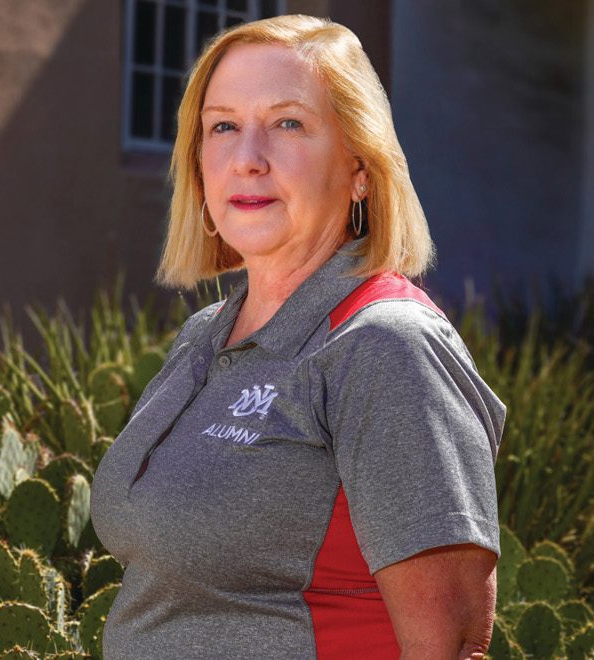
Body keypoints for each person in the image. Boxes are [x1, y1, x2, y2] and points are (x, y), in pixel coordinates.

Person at [88, 14, 505, 660]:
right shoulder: (205, 336)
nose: (247, 159)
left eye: (287, 124)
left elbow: (451, 643)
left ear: (359, 166)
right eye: (223, 126)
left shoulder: (386, 347)